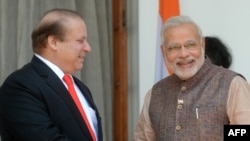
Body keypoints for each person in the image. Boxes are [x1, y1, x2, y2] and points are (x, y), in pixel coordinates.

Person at [133, 15, 250, 141]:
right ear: (163, 51)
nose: (183, 54)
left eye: (190, 45)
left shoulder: (232, 84)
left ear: (202, 44)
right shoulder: (155, 93)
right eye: (174, 47)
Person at [0, 8, 102, 141]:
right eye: (80, 41)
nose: (88, 48)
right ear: (54, 42)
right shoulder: (20, 86)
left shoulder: (81, 88)